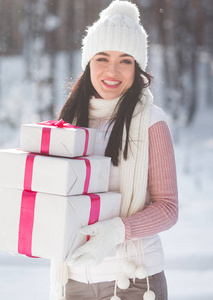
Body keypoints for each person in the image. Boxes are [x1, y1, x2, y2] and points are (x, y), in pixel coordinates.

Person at [50, 1, 178, 300]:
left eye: (125, 60)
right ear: (88, 63)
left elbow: (168, 209)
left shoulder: (151, 122)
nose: (112, 70)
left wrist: (116, 231)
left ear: (138, 67)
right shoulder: (69, 122)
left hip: (132, 278)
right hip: (74, 278)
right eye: (102, 58)